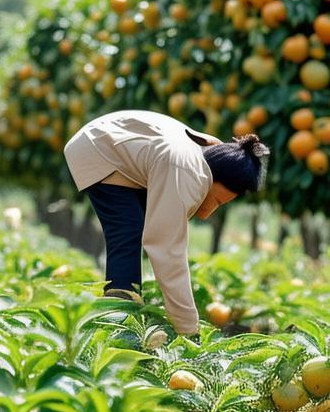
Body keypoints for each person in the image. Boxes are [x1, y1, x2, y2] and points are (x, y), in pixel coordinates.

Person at [63, 109, 269, 335]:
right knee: (127, 232)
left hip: (114, 144)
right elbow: (168, 251)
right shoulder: (188, 173)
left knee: (135, 234)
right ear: (213, 178)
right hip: (100, 148)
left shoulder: (210, 157)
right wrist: (189, 330)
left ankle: (123, 315)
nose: (209, 211)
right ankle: (118, 323)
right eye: (217, 201)